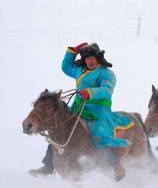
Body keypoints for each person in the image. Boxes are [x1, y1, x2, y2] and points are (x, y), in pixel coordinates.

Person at [29, 43, 133, 180]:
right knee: (57, 130)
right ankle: (48, 165)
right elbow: (66, 68)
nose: (89, 61)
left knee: (99, 134)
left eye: (91, 58)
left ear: (98, 57)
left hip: (98, 112)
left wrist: (89, 92)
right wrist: (72, 52)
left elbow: (107, 90)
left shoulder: (107, 73)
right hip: (78, 109)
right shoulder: (81, 71)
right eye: (86, 58)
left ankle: (115, 165)